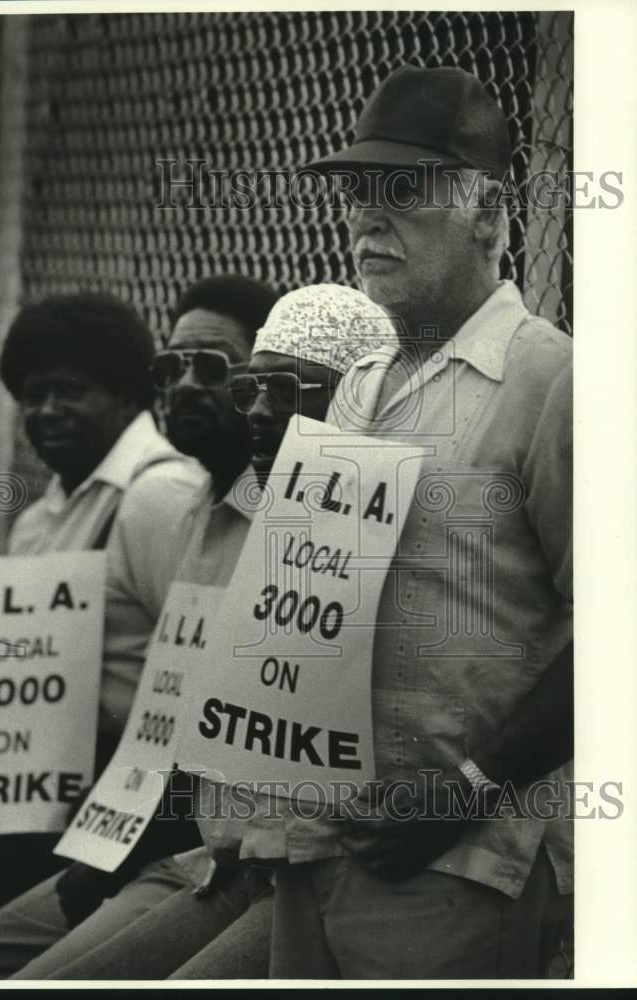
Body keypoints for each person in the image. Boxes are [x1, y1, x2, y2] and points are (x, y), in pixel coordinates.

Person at [262, 64, 574, 979]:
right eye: (356, 192)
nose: (365, 216)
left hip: (453, 865)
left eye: (402, 190)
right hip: (317, 841)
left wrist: (468, 794)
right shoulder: (356, 387)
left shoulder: (551, 381)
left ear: (488, 212)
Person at [27, 284, 396, 980]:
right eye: (250, 388)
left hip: (298, 865)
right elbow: (183, 715)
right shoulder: (203, 510)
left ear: (356, 400)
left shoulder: (364, 534)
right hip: (220, 851)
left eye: (282, 390)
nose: (255, 410)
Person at [0, 275, 279, 978]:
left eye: (70, 390)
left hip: (155, 815)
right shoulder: (92, 511)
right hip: (93, 795)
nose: (47, 411)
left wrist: (121, 842)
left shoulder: (161, 496)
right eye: (32, 395)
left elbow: (208, 700)